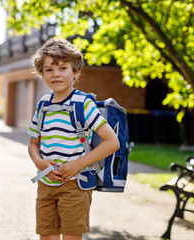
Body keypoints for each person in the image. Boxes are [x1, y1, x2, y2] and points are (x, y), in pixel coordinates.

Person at [27, 38, 120, 240]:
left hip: (75, 184)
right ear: (41, 74)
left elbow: (112, 142)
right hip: (46, 183)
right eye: (49, 69)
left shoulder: (83, 104)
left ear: (75, 72)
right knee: (47, 236)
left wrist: (76, 165)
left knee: (71, 236)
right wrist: (40, 163)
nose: (56, 74)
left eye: (63, 68)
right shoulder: (43, 104)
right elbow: (33, 143)